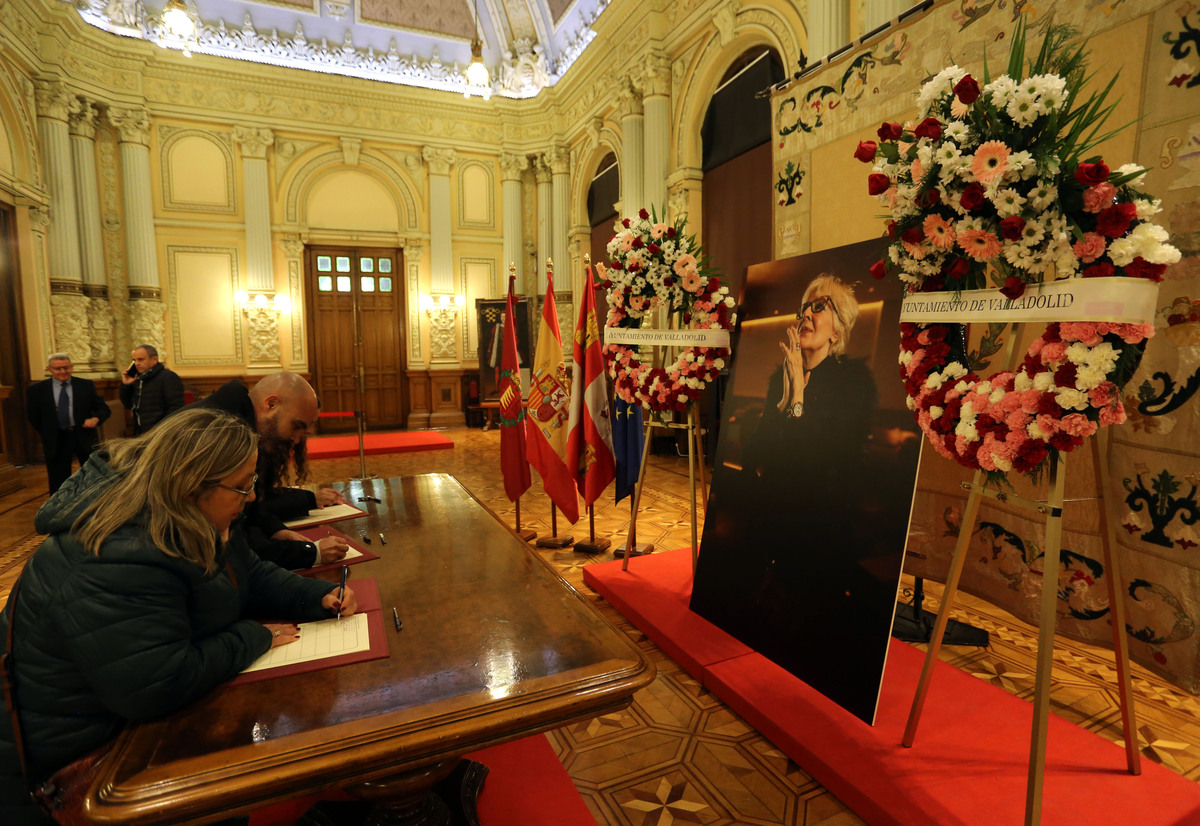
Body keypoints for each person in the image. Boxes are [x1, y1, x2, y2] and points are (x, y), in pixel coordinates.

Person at [0, 408, 357, 825]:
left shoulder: (186, 512)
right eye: (243, 487)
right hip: (79, 760)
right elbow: (156, 685)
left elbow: (249, 572)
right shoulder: (116, 553)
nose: (253, 497)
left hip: (123, 722)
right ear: (192, 484)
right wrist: (252, 637)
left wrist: (316, 595)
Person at [192, 373, 350, 570]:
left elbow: (252, 508)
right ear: (271, 404)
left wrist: (276, 530)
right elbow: (237, 542)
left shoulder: (239, 422)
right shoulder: (216, 435)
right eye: (296, 426)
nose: (298, 440)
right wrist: (310, 553)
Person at [25, 353, 111, 493]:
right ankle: (59, 510)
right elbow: (33, 416)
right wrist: (49, 431)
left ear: (72, 367)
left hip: (83, 436)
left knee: (93, 475)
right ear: (49, 369)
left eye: (66, 368)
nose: (63, 372)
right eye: (58, 369)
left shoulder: (85, 385)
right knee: (58, 480)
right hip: (56, 439)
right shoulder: (37, 390)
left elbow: (103, 409)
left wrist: (96, 419)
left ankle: (95, 505)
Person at [119, 343, 185, 435]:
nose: (136, 364)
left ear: (154, 359)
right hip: (140, 432)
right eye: (134, 360)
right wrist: (126, 385)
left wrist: (161, 430)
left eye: (141, 359)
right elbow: (128, 404)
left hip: (160, 433)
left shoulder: (168, 377)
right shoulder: (137, 378)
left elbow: (176, 408)